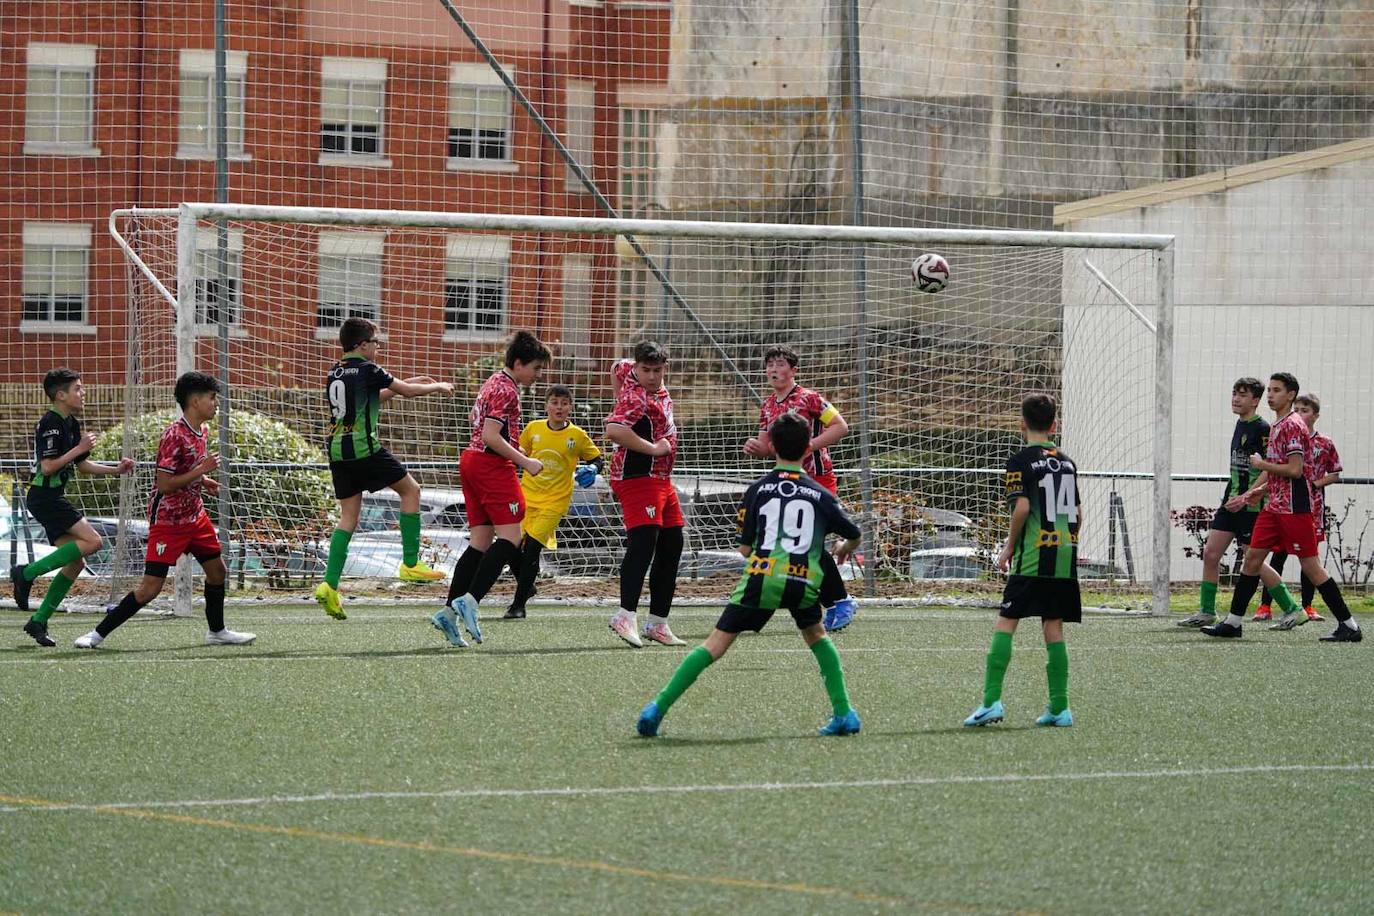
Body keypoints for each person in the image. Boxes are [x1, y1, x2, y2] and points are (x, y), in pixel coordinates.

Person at [636, 411, 862, 738]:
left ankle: (656, 709)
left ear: (770, 445)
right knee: (816, 637)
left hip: (764, 576)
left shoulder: (757, 490)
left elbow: (744, 549)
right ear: (807, 448)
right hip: (804, 580)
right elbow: (853, 533)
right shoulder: (821, 495)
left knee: (714, 645)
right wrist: (844, 548)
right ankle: (844, 713)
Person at [73, 372, 256, 648]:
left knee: (217, 572)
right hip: (168, 522)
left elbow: (186, 471)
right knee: (150, 589)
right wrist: (201, 470)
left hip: (195, 517)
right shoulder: (174, 435)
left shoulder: (202, 431)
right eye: (211, 397)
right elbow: (165, 484)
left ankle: (217, 632)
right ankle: (97, 634)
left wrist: (202, 480)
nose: (215, 403)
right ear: (195, 401)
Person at [1202, 373, 1361, 641]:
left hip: (1294, 509)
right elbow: (1282, 474)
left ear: (1291, 394)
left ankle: (1349, 626)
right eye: (1270, 390)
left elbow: (1296, 470)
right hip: (1274, 507)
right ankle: (1233, 623)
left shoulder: (1291, 425)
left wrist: (1262, 466)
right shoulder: (1278, 425)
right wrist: (1258, 491)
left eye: (1277, 390)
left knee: (1311, 566)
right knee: (1252, 559)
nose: (1271, 395)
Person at [314, 317, 454, 620]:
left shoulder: (334, 372)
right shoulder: (368, 368)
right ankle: (411, 563)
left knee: (348, 517)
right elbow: (406, 393)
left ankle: (329, 585)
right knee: (411, 490)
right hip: (365, 449)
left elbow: (373, 397)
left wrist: (410, 381)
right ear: (362, 345)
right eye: (376, 342)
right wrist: (438, 385)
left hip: (338, 452)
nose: (378, 347)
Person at [964, 393, 1080, 728]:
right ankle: (1060, 707)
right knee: (1053, 625)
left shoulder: (1019, 461)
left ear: (1021, 425)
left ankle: (990, 702)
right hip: (1064, 554)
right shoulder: (1069, 462)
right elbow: (1079, 512)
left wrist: (1009, 547)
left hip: (1034, 554)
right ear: (1054, 425)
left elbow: (1023, 508)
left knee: (1007, 620)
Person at [431, 331, 550, 647]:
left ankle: (447, 612)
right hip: (490, 465)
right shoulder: (507, 390)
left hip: (470, 462)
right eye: (536, 368)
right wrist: (526, 462)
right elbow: (491, 435)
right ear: (520, 363)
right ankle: (470, 601)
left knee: (481, 542)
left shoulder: (493, 382)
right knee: (511, 538)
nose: (538, 375)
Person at [11, 368, 135, 647]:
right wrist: (78, 448)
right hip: (44, 497)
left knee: (76, 561)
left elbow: (83, 467)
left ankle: (38, 621)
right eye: (78, 388)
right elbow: (48, 466)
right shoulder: (50, 423)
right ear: (60, 395)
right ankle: (26, 573)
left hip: (52, 497)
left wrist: (117, 470)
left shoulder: (71, 424)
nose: (83, 392)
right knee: (94, 541)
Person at [743, 344, 859, 631]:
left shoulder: (810, 398)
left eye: (780, 364)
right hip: (787, 481)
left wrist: (809, 447)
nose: (773, 369)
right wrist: (758, 449)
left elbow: (841, 427)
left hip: (816, 480)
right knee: (800, 543)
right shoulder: (768, 405)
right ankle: (832, 601)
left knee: (809, 542)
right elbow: (770, 447)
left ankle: (840, 601)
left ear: (793, 370)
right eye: (769, 364)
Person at [604, 341, 686, 648]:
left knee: (673, 542)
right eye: (645, 370)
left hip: (662, 480)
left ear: (665, 368)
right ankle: (625, 615)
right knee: (644, 543)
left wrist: (618, 388)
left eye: (657, 370)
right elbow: (613, 429)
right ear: (638, 368)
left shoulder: (628, 371)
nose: (651, 376)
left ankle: (658, 623)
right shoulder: (636, 397)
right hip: (637, 476)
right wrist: (653, 448)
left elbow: (616, 367)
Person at [500, 384, 602, 619]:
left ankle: (518, 606)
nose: (559, 407)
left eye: (564, 403)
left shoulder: (577, 435)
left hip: (554, 502)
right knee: (509, 547)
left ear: (570, 408)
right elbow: (519, 453)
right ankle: (528, 586)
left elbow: (597, 458)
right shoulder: (533, 428)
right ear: (546, 406)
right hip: (526, 497)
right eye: (555, 402)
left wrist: (592, 468)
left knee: (532, 550)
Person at [1177, 378, 1269, 628]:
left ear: (1255, 400)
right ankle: (1207, 611)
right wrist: (1234, 496)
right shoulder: (1239, 425)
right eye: (1234, 394)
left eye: (1242, 395)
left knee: (1253, 557)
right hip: (1231, 500)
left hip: (1250, 504)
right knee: (1211, 553)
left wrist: (1248, 495)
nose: (1236, 399)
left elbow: (1269, 469)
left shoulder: (1262, 428)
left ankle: (1292, 608)